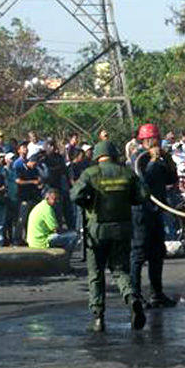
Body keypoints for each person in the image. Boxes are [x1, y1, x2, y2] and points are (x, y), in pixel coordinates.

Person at [71, 142, 147, 332]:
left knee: (96, 273)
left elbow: (75, 195)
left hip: (97, 230)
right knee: (120, 270)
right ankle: (132, 298)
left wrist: (88, 202)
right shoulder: (127, 173)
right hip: (122, 229)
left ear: (97, 156)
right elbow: (143, 195)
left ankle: (98, 317)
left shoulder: (90, 173)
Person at [131, 123, 178, 308]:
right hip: (141, 213)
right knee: (138, 254)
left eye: (157, 139)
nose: (157, 142)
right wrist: (151, 161)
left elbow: (171, 179)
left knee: (157, 253)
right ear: (146, 141)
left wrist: (168, 161)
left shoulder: (160, 159)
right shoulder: (138, 158)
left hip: (157, 212)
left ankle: (156, 294)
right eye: (154, 139)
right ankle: (135, 296)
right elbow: (143, 181)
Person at [27, 188, 78, 253]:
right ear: (47, 197)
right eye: (54, 199)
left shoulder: (40, 205)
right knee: (74, 236)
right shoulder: (47, 209)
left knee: (66, 235)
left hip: (33, 241)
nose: (56, 201)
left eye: (57, 199)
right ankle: (64, 257)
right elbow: (55, 229)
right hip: (41, 242)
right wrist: (69, 231)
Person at [14, 151, 42, 245]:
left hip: (33, 197)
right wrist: (31, 182)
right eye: (34, 163)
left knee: (30, 219)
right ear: (30, 161)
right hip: (24, 198)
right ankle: (17, 239)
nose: (35, 165)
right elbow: (18, 181)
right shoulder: (21, 169)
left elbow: (37, 180)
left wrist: (38, 185)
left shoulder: (34, 170)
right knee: (22, 219)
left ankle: (28, 238)